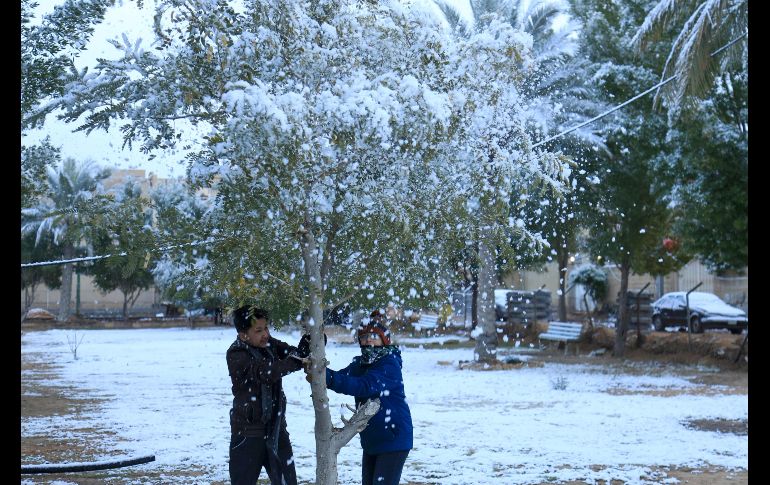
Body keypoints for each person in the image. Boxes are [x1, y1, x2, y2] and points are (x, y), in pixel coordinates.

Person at [308, 309, 413, 485]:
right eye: (363, 337)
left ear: (384, 340)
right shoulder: (360, 363)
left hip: (394, 439)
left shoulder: (389, 363)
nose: (367, 340)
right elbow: (343, 377)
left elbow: (364, 386)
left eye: (373, 336)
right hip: (372, 439)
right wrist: (318, 372)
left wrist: (328, 378)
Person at [226, 305, 311, 485]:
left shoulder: (269, 343)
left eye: (266, 328)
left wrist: (309, 345)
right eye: (259, 330)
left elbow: (292, 355)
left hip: (277, 429)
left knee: (287, 482)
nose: (265, 334)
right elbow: (266, 372)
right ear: (243, 335)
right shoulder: (236, 354)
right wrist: (294, 362)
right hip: (247, 434)